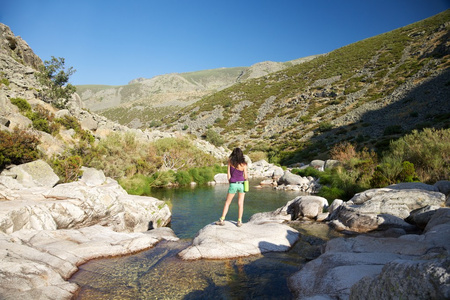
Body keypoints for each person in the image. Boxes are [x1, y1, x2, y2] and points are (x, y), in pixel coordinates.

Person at [215, 147, 248, 227]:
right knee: (240, 203)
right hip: (241, 184)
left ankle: (222, 219)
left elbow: (228, 174)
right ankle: (239, 221)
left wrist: (230, 181)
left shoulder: (230, 161)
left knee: (227, 203)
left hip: (233, 183)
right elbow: (246, 176)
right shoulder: (244, 164)